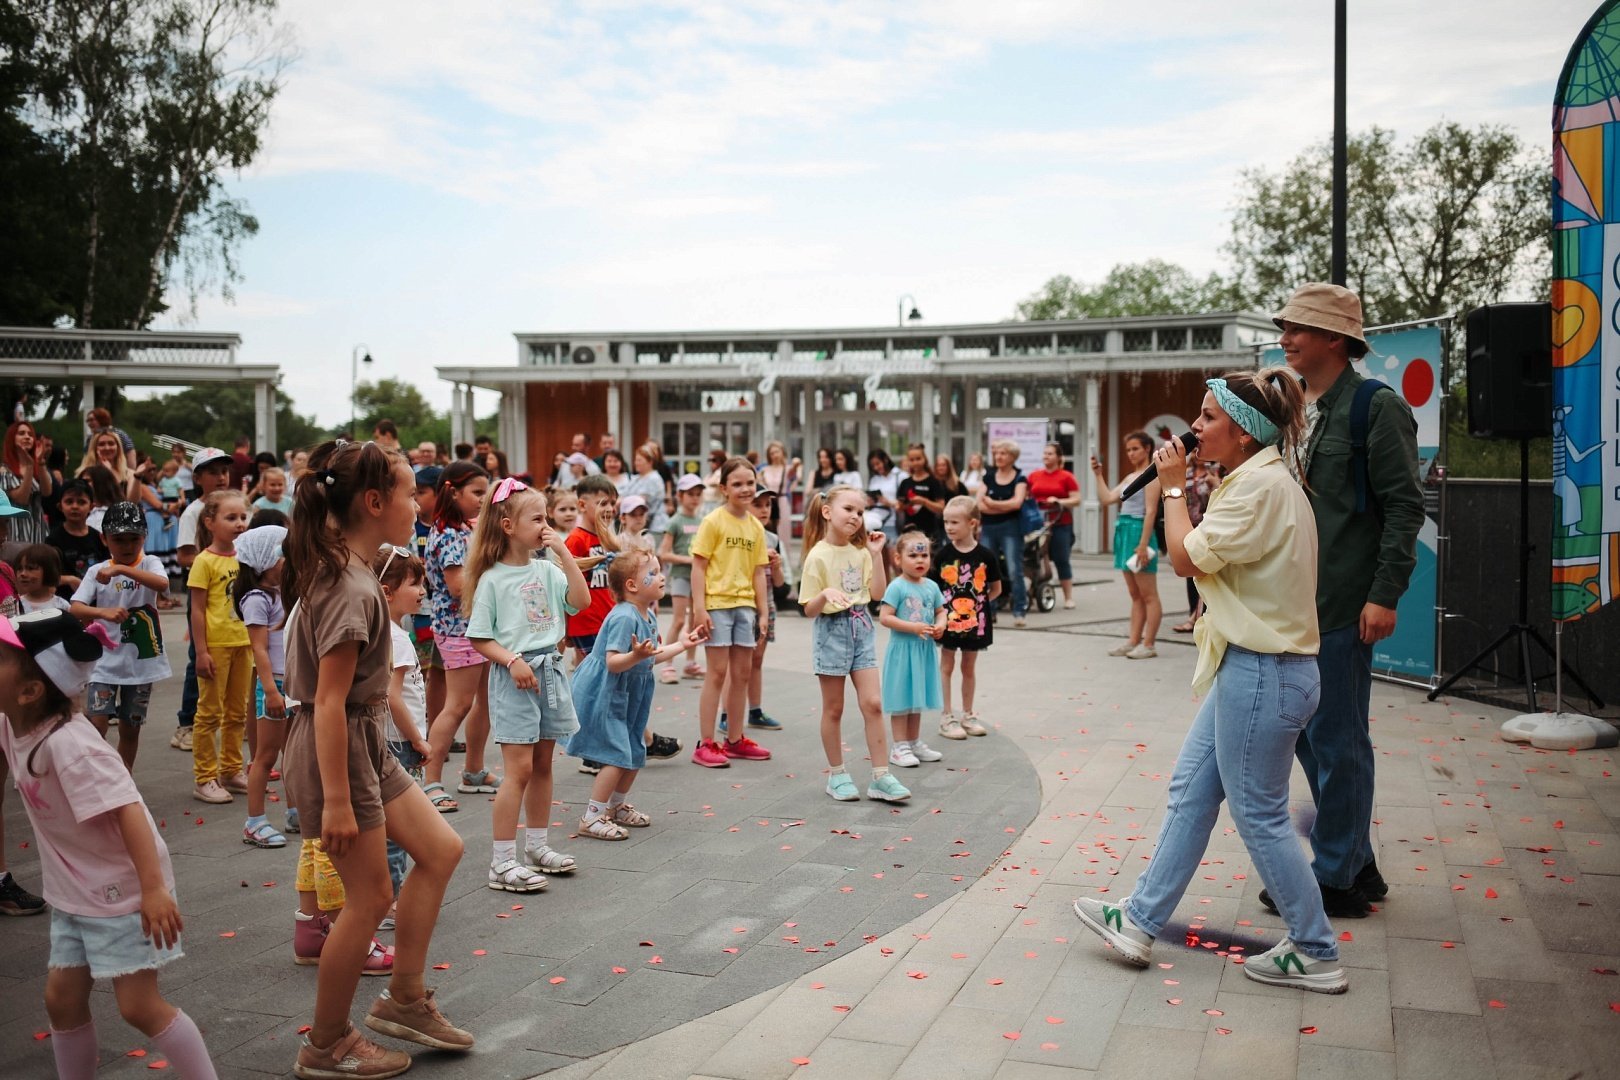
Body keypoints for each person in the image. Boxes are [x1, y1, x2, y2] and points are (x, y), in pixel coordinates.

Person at [1073, 369, 1348, 995]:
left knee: (1260, 814)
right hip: (1251, 667)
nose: (1193, 428)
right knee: (1192, 791)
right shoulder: (1254, 480)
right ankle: (1140, 919)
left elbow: (1184, 558)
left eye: (1206, 417)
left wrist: (1172, 488)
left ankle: (1315, 949)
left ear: (1244, 433)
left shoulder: (1261, 489)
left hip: (1265, 671)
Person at [280, 438, 471, 1076]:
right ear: (373, 501)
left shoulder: (354, 569)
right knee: (368, 898)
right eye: (410, 493)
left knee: (441, 849)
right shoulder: (348, 585)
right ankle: (326, 1044)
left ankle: (406, 1000)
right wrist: (337, 799)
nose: (419, 505)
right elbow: (328, 703)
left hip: (363, 740)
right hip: (339, 748)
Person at [0, 609, 222, 1078]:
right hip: (75, 893)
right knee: (61, 1000)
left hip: (124, 893)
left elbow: (128, 809)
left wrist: (154, 889)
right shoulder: (11, 722)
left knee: (139, 1006)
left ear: (30, 691)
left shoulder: (70, 746)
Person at [1272, 282, 1425, 918]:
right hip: (1292, 604)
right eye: (1285, 327)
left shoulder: (1376, 407)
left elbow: (1405, 507)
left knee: (1338, 743)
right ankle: (1357, 862)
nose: (1285, 338)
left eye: (1298, 328)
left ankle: (1335, 878)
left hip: (1342, 604)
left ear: (1335, 340)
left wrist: (1385, 595)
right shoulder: (1294, 405)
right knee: (1309, 740)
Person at [465, 478, 590, 891]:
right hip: (515, 679)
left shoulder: (547, 569)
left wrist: (563, 553)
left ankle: (537, 846)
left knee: (542, 765)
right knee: (517, 770)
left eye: (546, 518)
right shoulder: (492, 579)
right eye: (537, 519)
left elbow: (581, 602)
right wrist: (512, 660)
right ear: (507, 526)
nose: (545, 526)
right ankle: (502, 862)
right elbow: (480, 636)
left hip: (549, 672)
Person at [567, 548, 708, 840]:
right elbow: (613, 662)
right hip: (608, 693)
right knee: (617, 754)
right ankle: (591, 817)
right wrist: (635, 655)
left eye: (660, 571)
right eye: (652, 573)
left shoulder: (647, 614)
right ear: (631, 585)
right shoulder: (624, 617)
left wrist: (682, 645)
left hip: (630, 694)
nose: (661, 577)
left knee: (635, 749)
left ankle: (615, 806)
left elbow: (651, 656)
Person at [799, 486, 909, 803]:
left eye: (860, 512)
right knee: (834, 708)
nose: (856, 517)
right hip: (831, 631)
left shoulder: (861, 552)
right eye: (848, 509)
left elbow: (877, 594)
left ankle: (881, 776)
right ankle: (837, 775)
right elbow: (808, 609)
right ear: (827, 512)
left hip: (861, 627)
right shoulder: (817, 555)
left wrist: (875, 554)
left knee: (873, 703)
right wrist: (824, 595)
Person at [69, 503, 171, 772]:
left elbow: (163, 585)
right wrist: (102, 612)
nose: (127, 546)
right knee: (96, 724)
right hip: (103, 661)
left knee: (130, 728)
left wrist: (122, 570)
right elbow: (75, 607)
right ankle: (98, 776)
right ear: (104, 539)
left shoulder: (150, 563)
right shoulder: (97, 571)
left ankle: (124, 779)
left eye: (133, 539)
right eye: (118, 539)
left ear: (144, 537)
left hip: (141, 664)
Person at [421, 461, 496, 813]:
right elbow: (456, 586)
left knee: (485, 700)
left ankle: (474, 771)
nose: (483, 499)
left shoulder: (465, 528)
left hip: (477, 626)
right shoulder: (449, 533)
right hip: (457, 629)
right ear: (452, 492)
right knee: (458, 705)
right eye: (476, 492)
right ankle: (431, 780)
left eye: (485, 492)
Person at [689, 458, 773, 768]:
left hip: (745, 607)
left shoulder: (756, 526)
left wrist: (763, 613)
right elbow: (699, 566)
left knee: (742, 674)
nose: (745, 489)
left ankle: (735, 740)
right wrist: (699, 608)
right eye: (737, 484)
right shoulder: (713, 521)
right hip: (717, 605)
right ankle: (705, 744)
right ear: (724, 488)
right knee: (717, 673)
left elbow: (759, 572)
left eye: (750, 483)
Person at [376, 544, 433, 929]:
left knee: (391, 827)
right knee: (397, 830)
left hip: (393, 740)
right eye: (414, 583)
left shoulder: (389, 631)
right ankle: (389, 901)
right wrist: (417, 739)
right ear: (387, 591)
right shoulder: (396, 638)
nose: (422, 591)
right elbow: (393, 697)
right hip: (399, 742)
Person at [188, 490, 253, 804]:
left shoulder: (246, 557)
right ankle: (205, 777)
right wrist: (201, 652)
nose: (239, 523)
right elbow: (196, 610)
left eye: (242, 517)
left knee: (238, 712)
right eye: (231, 518)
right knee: (209, 713)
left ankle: (230, 769)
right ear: (210, 522)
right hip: (216, 646)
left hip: (245, 643)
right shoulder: (204, 561)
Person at [170, 448, 234, 753]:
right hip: (204, 592)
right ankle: (186, 723)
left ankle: (231, 720)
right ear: (197, 478)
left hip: (230, 592)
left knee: (234, 655)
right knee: (200, 655)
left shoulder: (233, 506)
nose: (221, 477)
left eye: (224, 471)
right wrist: (214, 561)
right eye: (213, 472)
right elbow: (184, 556)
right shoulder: (193, 512)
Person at [237, 525, 291, 849]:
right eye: (284, 554)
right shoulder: (257, 599)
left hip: (295, 684)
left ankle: (295, 810)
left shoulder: (285, 592)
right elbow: (259, 649)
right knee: (265, 756)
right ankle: (254, 821)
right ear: (265, 561)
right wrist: (270, 690)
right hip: (276, 686)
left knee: (294, 752)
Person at [931, 496, 999, 740]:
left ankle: (968, 715)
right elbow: (933, 589)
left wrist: (979, 607)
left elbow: (996, 588)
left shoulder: (986, 556)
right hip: (948, 623)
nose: (949, 527)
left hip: (975, 624)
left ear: (972, 523)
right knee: (946, 665)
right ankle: (946, 716)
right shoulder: (942, 555)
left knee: (969, 667)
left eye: (954, 522)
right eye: (946, 522)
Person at [718, 485, 784, 734]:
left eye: (768, 505)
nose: (764, 510)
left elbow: (779, 583)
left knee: (756, 660)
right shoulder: (735, 532)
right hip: (740, 604)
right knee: (735, 664)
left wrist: (776, 566)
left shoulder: (773, 539)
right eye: (758, 504)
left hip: (766, 605)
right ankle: (726, 714)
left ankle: (755, 711)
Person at [879, 530, 948, 768]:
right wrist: (913, 627)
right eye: (913, 555)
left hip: (923, 651)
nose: (920, 560)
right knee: (901, 699)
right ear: (898, 559)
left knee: (916, 697)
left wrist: (940, 625)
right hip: (903, 652)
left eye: (924, 555)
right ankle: (899, 747)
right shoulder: (897, 587)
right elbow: (885, 617)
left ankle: (913, 742)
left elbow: (941, 611)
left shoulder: (931, 586)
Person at [1090, 432, 1162, 658]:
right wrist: (1098, 475)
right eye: (1128, 449)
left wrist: (1143, 544)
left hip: (1139, 532)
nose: (1131, 453)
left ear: (1147, 448)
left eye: (1135, 449)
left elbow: (1151, 511)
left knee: (1149, 594)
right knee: (1135, 594)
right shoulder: (1131, 476)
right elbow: (1107, 499)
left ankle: (1148, 644)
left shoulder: (1152, 474)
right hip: (1124, 531)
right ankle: (1133, 640)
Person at [657, 474, 706, 684]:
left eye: (698, 494)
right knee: (678, 620)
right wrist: (689, 560)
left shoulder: (702, 521)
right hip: (680, 577)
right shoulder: (675, 521)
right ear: (680, 495)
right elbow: (664, 553)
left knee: (695, 621)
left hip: (698, 578)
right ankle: (667, 665)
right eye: (690, 494)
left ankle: (690, 664)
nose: (695, 498)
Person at [977, 439, 1030, 627]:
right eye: (997, 453)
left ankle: (1019, 611)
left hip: (1011, 528)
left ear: (1013, 457)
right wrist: (1002, 507)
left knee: (1014, 570)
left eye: (1003, 453)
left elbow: (1017, 503)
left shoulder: (1020, 478)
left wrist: (992, 504)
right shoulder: (989, 477)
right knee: (985, 570)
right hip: (989, 528)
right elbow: (979, 504)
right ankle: (989, 611)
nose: (998, 457)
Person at [1027, 442, 1081, 609]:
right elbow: (1026, 496)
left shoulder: (1066, 477)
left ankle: (1068, 597)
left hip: (1060, 522)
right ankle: (1032, 591)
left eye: (1050, 453)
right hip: (1037, 523)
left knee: (1061, 559)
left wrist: (1059, 501)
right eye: (1045, 453)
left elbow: (1076, 499)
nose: (1046, 456)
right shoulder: (1034, 475)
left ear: (1058, 457)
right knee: (1033, 557)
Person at [46, 478, 107, 602]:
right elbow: (46, 576)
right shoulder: (53, 539)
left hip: (97, 601)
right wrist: (69, 580)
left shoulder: (98, 537)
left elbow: (108, 566)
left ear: (91, 506)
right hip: (65, 602)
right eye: (69, 501)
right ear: (60, 506)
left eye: (81, 502)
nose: (75, 506)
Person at [2, 420, 52, 544]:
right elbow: (21, 499)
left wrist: (40, 462)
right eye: (21, 433)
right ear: (12, 438)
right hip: (16, 532)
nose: (27, 437)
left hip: (38, 531)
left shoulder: (37, 467)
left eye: (30, 434)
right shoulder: (5, 470)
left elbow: (47, 492)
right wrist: (29, 466)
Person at [897, 444, 948, 541]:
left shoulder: (933, 482)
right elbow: (899, 507)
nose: (915, 462)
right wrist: (907, 504)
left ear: (924, 459)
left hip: (929, 532)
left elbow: (941, 508)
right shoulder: (905, 482)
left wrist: (924, 501)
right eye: (912, 460)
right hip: (910, 531)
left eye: (918, 458)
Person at [621, 446, 670, 540]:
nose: (636, 463)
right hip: (636, 526)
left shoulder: (654, 478)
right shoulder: (635, 478)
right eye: (635, 460)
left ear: (650, 462)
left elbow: (640, 502)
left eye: (639, 460)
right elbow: (622, 497)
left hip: (655, 528)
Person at [78, 429, 140, 503]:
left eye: (111, 444)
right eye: (101, 444)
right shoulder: (85, 473)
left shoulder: (130, 474)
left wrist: (110, 472)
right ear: (94, 448)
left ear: (118, 448)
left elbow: (132, 502)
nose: (107, 448)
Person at [16, 544, 70, 613]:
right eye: (19, 569)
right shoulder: (16, 605)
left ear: (49, 571)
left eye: (30, 568)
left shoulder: (62, 606)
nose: (23, 574)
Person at [865, 449, 900, 549]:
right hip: (875, 522)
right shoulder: (874, 479)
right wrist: (870, 502)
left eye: (878, 463)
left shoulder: (899, 476)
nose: (876, 467)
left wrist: (889, 503)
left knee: (893, 553)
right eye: (873, 466)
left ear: (885, 460)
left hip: (892, 521)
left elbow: (906, 501)